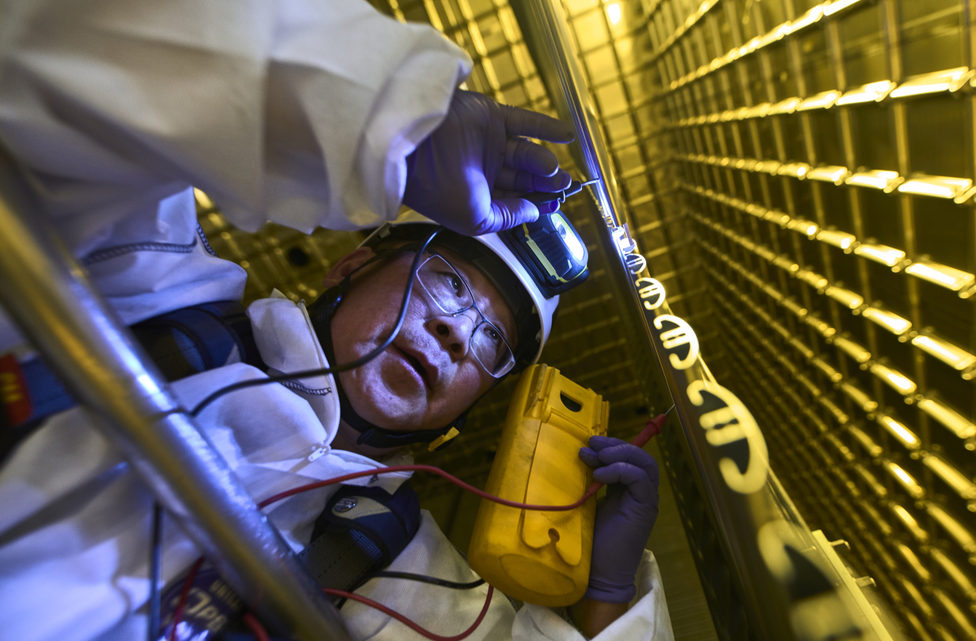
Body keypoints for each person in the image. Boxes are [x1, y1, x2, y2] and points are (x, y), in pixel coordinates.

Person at [0, 1, 672, 640]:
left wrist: (606, 597)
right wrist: (383, 118)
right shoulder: (155, 284)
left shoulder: (403, 568)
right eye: (446, 283)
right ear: (349, 267)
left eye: (491, 340)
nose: (457, 334)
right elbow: (63, 51)